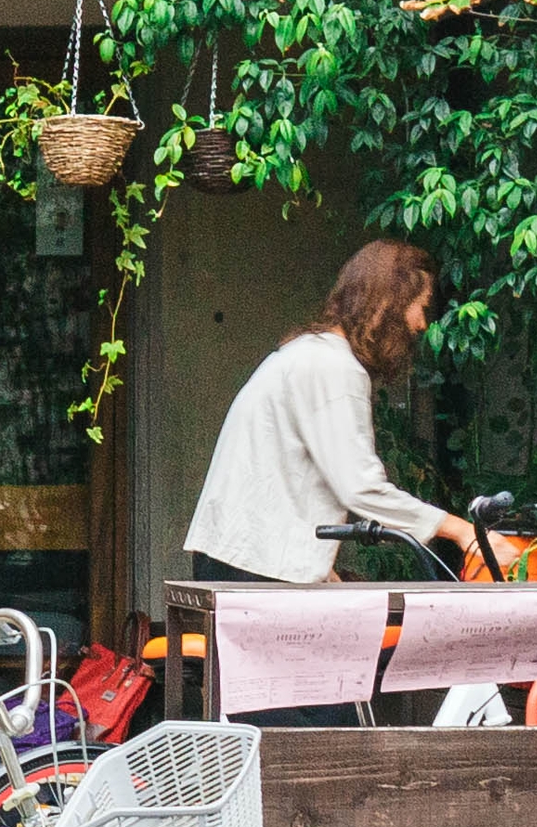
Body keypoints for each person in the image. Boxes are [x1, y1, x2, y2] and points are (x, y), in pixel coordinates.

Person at [181, 237, 492, 666]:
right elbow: (360, 488)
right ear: (388, 304)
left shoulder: (308, 355)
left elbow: (287, 477)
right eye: (420, 307)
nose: (422, 324)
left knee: (302, 708)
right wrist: (461, 530)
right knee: (313, 714)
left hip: (241, 560)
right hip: (255, 569)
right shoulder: (334, 367)